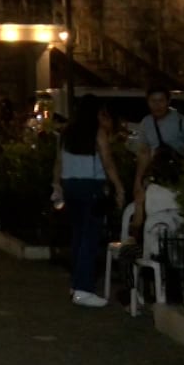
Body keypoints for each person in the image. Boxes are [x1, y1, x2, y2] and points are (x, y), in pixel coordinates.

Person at [53, 95, 125, 308]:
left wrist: (56, 184)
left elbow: (58, 161)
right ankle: (83, 288)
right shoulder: (97, 132)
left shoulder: (67, 132)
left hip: (70, 185)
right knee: (90, 236)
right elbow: (108, 162)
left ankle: (76, 284)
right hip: (90, 186)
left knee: (77, 235)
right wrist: (119, 187)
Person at [132, 88, 184, 191]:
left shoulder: (182, 122)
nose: (157, 105)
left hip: (178, 175)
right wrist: (138, 180)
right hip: (157, 175)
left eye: (161, 101)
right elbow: (144, 153)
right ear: (148, 102)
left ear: (168, 101)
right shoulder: (146, 122)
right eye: (153, 101)